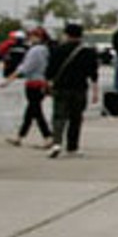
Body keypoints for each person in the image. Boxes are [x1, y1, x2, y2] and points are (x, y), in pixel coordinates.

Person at [45, 22, 100, 158]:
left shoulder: (57, 50)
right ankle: (72, 147)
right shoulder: (88, 52)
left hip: (61, 88)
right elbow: (93, 74)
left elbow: (49, 72)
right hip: (79, 89)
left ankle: (56, 143)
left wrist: (48, 84)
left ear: (66, 34)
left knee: (59, 116)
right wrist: (95, 92)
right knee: (76, 118)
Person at [4, 28, 55, 147]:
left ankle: (48, 136)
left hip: (33, 83)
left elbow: (26, 67)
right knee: (31, 112)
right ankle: (20, 136)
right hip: (41, 82)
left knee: (35, 111)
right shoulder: (45, 49)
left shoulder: (35, 50)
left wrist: (10, 78)